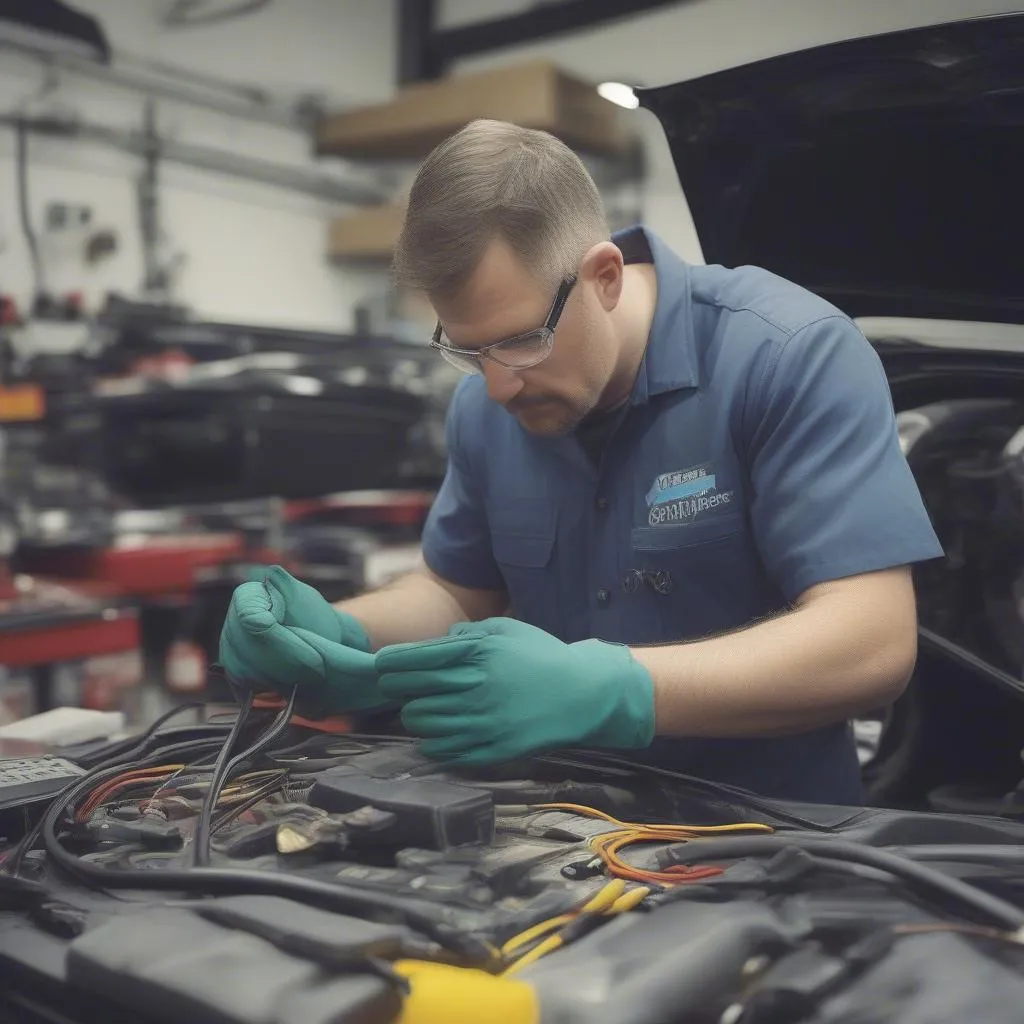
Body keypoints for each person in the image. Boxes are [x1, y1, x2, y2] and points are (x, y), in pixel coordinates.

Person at [220, 118, 943, 805]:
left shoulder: (789, 356)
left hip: (770, 841)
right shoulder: (485, 406)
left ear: (604, 276)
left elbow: (870, 643)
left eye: (522, 339)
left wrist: (613, 688)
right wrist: (336, 634)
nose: (498, 385)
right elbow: (456, 593)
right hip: (552, 835)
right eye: (467, 351)